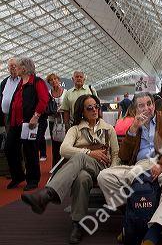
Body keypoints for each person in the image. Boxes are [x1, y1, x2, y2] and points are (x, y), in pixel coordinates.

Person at [21, 94, 120, 244]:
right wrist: (89, 152)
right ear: (82, 111)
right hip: (83, 170)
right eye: (89, 107)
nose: (94, 109)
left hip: (102, 169)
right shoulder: (75, 129)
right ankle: (78, 224)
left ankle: (47, 195)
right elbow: (63, 149)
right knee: (82, 178)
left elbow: (116, 154)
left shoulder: (108, 129)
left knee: (79, 158)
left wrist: (111, 172)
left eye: (96, 106)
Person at [97, 92, 162, 245]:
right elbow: (124, 156)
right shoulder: (134, 125)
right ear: (135, 109)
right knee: (104, 177)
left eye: (149, 104)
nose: (147, 108)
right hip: (138, 166)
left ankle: (154, 230)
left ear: (153, 105)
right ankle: (131, 218)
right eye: (141, 105)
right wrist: (132, 130)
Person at [5, 57, 49, 191]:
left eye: (17, 66)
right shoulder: (20, 82)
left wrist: (35, 116)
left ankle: (33, 179)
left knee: (30, 150)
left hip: (30, 123)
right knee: (9, 148)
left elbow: (43, 100)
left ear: (24, 68)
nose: (15, 69)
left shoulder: (37, 81)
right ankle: (18, 176)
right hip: (15, 122)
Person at [46, 73, 67, 168]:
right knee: (55, 144)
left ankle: (66, 165)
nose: (53, 81)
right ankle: (55, 166)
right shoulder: (48, 93)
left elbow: (69, 106)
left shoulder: (66, 92)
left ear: (59, 80)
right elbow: (46, 107)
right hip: (52, 121)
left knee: (65, 143)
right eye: (51, 80)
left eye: (55, 79)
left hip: (64, 121)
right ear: (49, 82)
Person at [0, 58, 20, 133]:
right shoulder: (4, 82)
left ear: (18, 66)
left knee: (19, 137)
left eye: (15, 65)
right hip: (7, 116)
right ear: (8, 68)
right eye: (11, 66)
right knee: (9, 137)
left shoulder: (22, 80)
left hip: (19, 115)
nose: (13, 67)